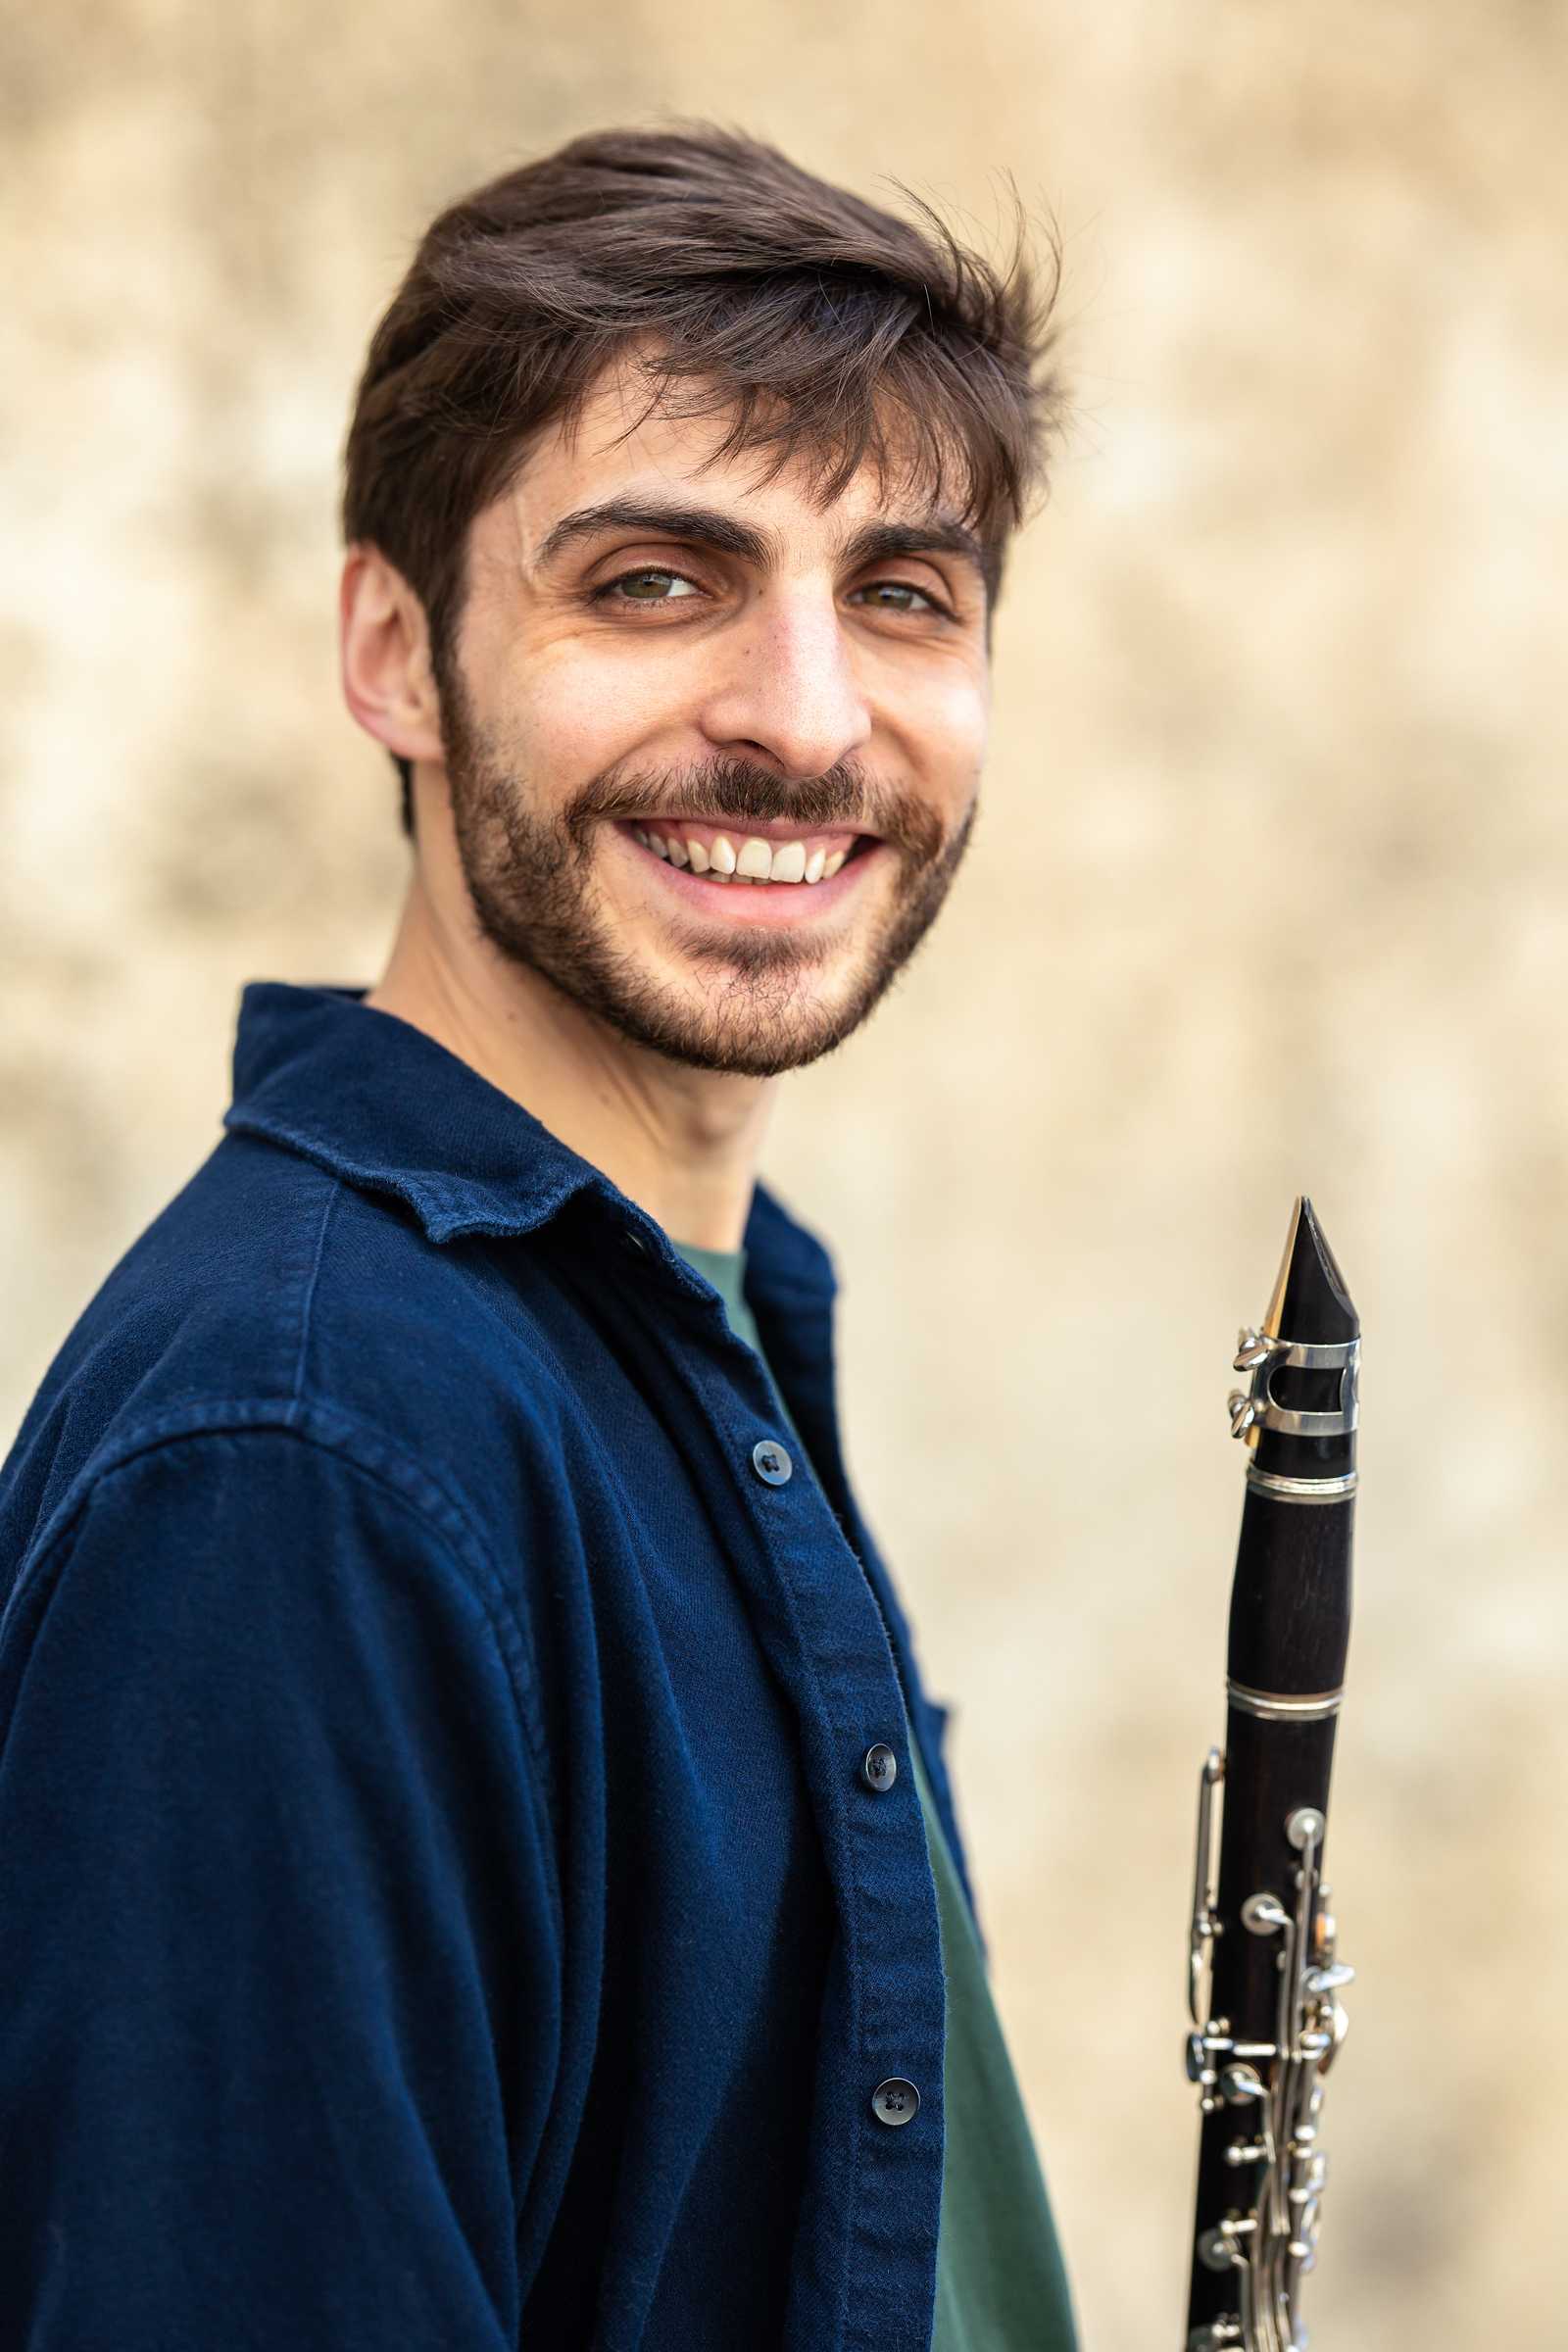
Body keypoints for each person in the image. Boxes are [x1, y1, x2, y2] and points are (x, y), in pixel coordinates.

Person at [0, 122, 1075, 2350]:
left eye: (900, 593)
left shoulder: (692, 1336)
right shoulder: (304, 1463)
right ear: (394, 653)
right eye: (653, 581)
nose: (802, 717)